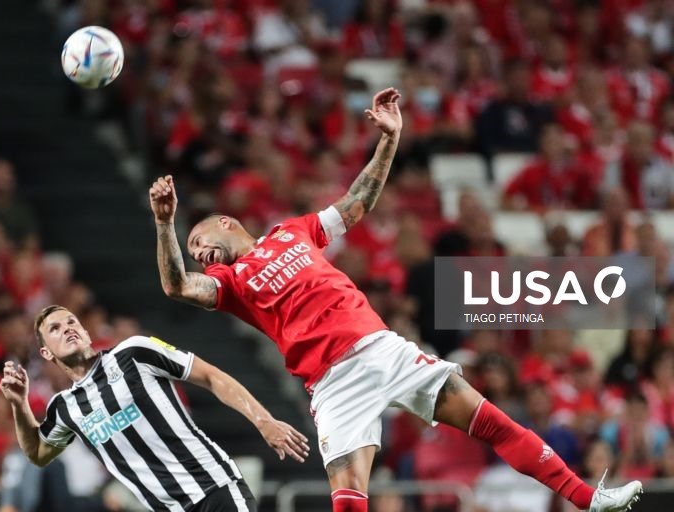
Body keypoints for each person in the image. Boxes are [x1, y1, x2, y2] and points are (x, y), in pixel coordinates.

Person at [149, 87, 643, 512]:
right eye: (193, 252)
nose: (198, 253)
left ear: (228, 225)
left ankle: (586, 499)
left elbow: (357, 202)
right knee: (349, 494)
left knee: (490, 420)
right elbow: (176, 286)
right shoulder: (230, 284)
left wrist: (390, 138)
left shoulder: (292, 232)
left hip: (381, 348)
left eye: (198, 241)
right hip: (330, 382)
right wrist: (166, 224)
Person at [0, 305, 309, 512]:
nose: (68, 328)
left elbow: (211, 376)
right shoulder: (64, 408)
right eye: (55, 328)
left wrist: (263, 419)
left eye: (72, 322)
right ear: (45, 352)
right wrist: (19, 404)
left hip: (214, 491)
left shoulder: (134, 352)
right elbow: (38, 454)